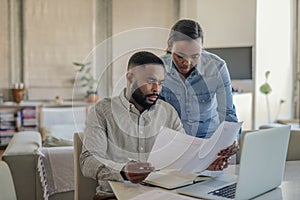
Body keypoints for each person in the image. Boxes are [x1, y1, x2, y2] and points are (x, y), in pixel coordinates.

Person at [80, 51, 237, 200]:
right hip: (113, 196)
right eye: (150, 82)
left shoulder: (167, 112)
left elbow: (184, 156)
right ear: (130, 78)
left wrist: (206, 163)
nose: (156, 89)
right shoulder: (102, 111)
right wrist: (123, 171)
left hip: (163, 195)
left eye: (160, 83)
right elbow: (88, 161)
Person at [160, 19, 239, 138]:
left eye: (195, 56)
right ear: (170, 46)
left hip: (208, 140)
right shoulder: (157, 68)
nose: (187, 63)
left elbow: (227, 113)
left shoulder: (217, 67)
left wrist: (231, 141)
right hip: (173, 141)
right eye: (180, 56)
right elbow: (151, 113)